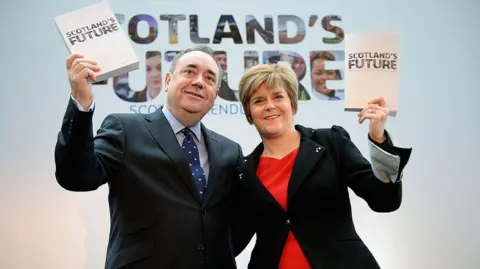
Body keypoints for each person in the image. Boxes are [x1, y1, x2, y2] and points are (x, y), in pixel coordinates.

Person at [54, 45, 243, 269]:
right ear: (167, 81)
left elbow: (240, 220)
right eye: (189, 72)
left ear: (215, 93)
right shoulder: (126, 129)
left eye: (209, 78)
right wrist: (81, 102)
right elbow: (76, 176)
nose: (199, 82)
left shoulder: (230, 151)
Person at [231, 64, 412, 269]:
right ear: (249, 113)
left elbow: (384, 200)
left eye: (278, 96)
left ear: (292, 103)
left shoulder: (331, 142)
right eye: (258, 101)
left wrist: (379, 139)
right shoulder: (244, 172)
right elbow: (232, 240)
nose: (269, 105)